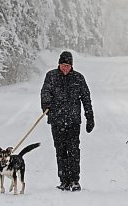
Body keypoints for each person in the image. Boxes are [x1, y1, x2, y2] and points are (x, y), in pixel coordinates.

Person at [40, 51, 94, 192]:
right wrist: (47, 106)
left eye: (68, 65)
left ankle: (75, 180)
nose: (65, 68)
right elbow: (45, 93)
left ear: (72, 66)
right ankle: (64, 180)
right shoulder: (51, 76)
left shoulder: (78, 78)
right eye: (63, 65)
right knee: (61, 151)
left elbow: (86, 98)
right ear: (59, 64)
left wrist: (90, 117)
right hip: (57, 121)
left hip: (73, 121)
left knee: (74, 150)